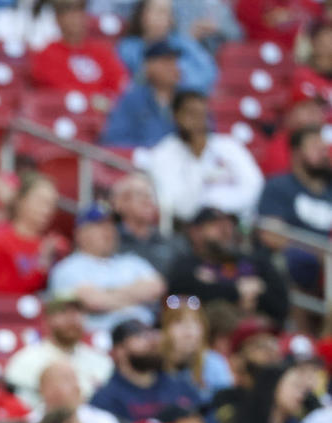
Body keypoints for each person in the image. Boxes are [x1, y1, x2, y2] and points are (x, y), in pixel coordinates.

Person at [143, 91, 264, 224]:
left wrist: (215, 204)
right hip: (191, 228)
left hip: (234, 222)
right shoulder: (163, 154)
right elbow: (178, 206)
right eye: (191, 113)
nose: (198, 120)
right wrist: (197, 157)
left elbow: (254, 187)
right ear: (176, 116)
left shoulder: (229, 146)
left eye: (202, 114)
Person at [47, 203, 165, 333]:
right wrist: (136, 297)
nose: (108, 230)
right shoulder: (68, 268)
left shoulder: (131, 262)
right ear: (80, 233)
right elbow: (94, 302)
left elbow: (157, 288)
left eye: (111, 224)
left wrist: (106, 294)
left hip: (144, 333)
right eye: (100, 225)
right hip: (100, 338)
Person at [165, 208, 289, 325]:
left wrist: (259, 294)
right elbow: (178, 293)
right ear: (195, 232)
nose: (226, 230)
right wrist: (237, 291)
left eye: (229, 224)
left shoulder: (253, 261)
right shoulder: (185, 264)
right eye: (216, 225)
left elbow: (281, 305)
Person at [257, 126, 332, 292]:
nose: (324, 153)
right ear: (296, 153)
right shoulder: (279, 186)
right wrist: (320, 252)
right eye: (315, 147)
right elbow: (271, 235)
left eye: (324, 148)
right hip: (299, 263)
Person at [5, 295, 114, 408]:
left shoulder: (100, 360)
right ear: (47, 319)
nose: (72, 319)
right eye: (64, 312)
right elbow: (25, 408)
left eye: (78, 312)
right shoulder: (26, 359)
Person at [89, 319, 201, 423]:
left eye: (151, 333)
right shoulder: (106, 399)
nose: (151, 340)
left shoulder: (179, 386)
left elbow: (208, 422)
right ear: (119, 351)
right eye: (140, 336)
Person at [0, 175, 65, 296]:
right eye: (40, 201)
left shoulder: (57, 245)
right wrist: (42, 264)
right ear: (20, 200)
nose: (47, 209)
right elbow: (3, 292)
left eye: (52, 204)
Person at [29, 0, 128, 105]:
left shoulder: (102, 50)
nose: (76, 19)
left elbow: (120, 83)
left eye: (80, 11)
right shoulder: (47, 54)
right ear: (57, 19)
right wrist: (95, 99)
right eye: (69, 13)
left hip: (107, 113)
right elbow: (60, 92)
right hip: (69, 114)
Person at [116, 0, 217, 95]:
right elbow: (124, 83)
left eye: (168, 13)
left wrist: (178, 82)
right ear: (143, 15)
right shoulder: (128, 48)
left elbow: (209, 73)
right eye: (160, 12)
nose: (165, 17)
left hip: (181, 102)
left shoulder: (184, 43)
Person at [32, 359, 126, 423]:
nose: (58, 387)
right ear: (40, 390)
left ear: (78, 388)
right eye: (51, 381)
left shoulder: (104, 421)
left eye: (66, 380)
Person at [101, 41, 182, 149]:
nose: (173, 68)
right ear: (148, 67)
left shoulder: (187, 99)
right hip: (142, 162)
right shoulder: (132, 100)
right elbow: (114, 139)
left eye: (174, 62)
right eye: (165, 62)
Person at [158, 298, 233, 402]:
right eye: (179, 322)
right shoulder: (155, 360)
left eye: (195, 322)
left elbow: (227, 401)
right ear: (166, 329)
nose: (188, 328)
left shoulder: (214, 362)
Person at [110, 173, 183, 274]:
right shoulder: (107, 241)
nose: (148, 201)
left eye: (151, 196)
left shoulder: (173, 243)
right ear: (119, 203)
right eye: (139, 194)